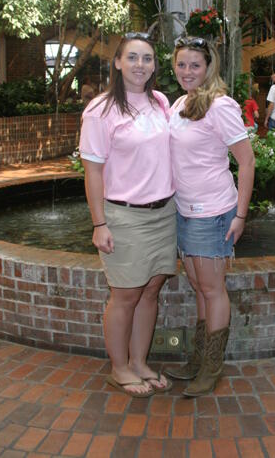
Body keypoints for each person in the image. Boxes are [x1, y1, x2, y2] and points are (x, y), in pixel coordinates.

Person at [79, 33, 176, 397]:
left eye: (147, 58)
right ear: (117, 62)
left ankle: (139, 362)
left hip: (163, 213)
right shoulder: (101, 110)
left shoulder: (161, 102)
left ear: (154, 65)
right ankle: (119, 368)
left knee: (150, 290)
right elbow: (93, 172)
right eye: (132, 57)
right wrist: (99, 223)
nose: (140, 65)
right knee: (125, 295)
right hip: (124, 217)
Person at [165, 36, 255, 397]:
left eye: (195, 65)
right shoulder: (179, 103)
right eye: (182, 64)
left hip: (213, 212)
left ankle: (211, 368)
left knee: (213, 290)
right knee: (199, 288)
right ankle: (198, 360)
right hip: (183, 211)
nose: (188, 72)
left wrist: (241, 216)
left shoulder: (221, 105)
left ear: (209, 67)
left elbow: (246, 162)